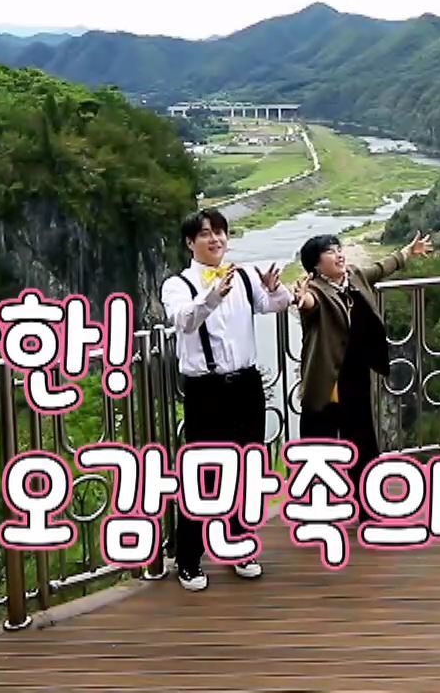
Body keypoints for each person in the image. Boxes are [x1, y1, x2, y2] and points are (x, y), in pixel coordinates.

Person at [160, 207, 292, 592]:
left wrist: (274, 288)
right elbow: (184, 320)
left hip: (246, 384)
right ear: (190, 242)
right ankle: (189, 558)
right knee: (204, 474)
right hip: (206, 389)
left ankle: (239, 546)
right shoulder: (177, 285)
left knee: (248, 467)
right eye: (206, 234)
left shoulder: (245, 276)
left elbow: (276, 304)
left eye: (220, 232)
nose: (215, 239)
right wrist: (212, 296)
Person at [293, 231, 434, 500]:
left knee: (362, 438)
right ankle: (317, 505)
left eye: (339, 248)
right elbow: (310, 304)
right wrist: (301, 298)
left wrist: (408, 251)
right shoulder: (316, 290)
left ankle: (367, 502)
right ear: (316, 265)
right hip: (326, 378)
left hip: (356, 373)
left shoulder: (354, 276)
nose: (339, 254)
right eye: (330, 251)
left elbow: (381, 268)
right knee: (319, 443)